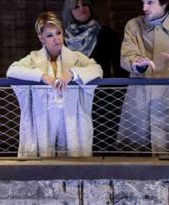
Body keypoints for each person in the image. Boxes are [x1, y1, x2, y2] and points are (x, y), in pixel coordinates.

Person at [7, 12, 103, 158]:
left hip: (70, 115)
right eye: (50, 35)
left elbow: (96, 69)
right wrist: (42, 76)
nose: (56, 38)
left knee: (73, 156)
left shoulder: (76, 57)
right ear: (41, 37)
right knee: (43, 155)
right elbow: (12, 70)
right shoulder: (33, 58)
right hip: (43, 117)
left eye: (58, 33)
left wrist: (72, 74)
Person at [117, 0, 169, 153]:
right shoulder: (133, 25)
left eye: (150, 2)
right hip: (138, 99)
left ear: (165, 2)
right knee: (134, 156)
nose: (144, 8)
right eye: (142, 2)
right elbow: (127, 56)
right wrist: (138, 63)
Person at [61, 0, 121, 78]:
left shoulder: (106, 33)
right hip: (73, 87)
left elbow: (118, 64)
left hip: (103, 87)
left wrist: (120, 87)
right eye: (76, 7)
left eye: (85, 4)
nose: (82, 9)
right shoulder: (62, 37)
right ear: (69, 12)